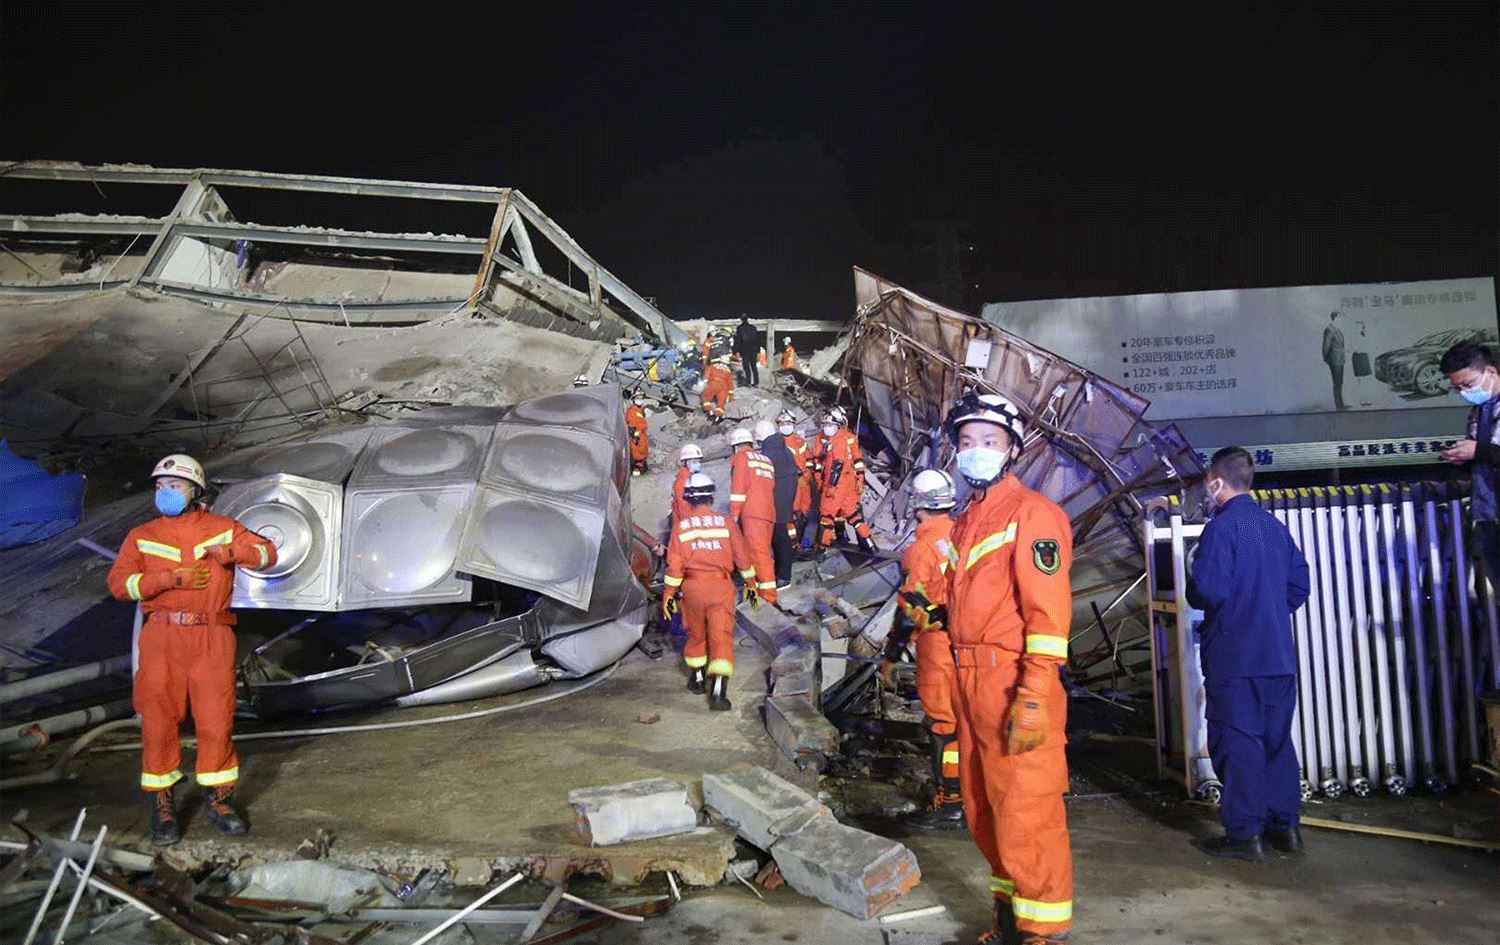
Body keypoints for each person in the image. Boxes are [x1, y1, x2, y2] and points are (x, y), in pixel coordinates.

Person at [942, 392, 1073, 945]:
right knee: (983, 806)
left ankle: (1044, 933)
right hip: (969, 681)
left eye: (990, 442)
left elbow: (1048, 615)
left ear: (1012, 450)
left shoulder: (1033, 514)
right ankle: (1009, 918)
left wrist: (1037, 690)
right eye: (967, 442)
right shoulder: (966, 519)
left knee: (1026, 809)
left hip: (1013, 681)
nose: (977, 451)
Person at [105, 454, 278, 846]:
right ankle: (163, 803)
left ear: (195, 490)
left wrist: (234, 553)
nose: (164, 493)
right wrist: (167, 579)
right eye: (159, 486)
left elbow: (269, 553)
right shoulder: (142, 535)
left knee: (216, 720)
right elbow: (119, 585)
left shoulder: (222, 529)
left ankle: (219, 800)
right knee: (158, 720)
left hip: (212, 637)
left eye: (174, 486)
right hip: (162, 638)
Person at [1186, 447, 1311, 862]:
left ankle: (1244, 836)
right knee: (1276, 741)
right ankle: (1286, 828)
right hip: (1278, 656)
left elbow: (1209, 590)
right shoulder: (1273, 527)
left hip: (1235, 657)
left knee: (1237, 743)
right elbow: (1299, 586)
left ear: (1216, 481)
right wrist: (1267, 610)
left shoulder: (1221, 531)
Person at [883, 469, 965, 830]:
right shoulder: (961, 535)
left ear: (918, 505)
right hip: (968, 642)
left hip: (937, 644)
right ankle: (971, 795)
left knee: (943, 724)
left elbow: (910, 607)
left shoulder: (920, 551)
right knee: (965, 720)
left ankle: (951, 803)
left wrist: (891, 653)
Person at [662, 473, 759, 710]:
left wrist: (668, 595)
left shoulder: (680, 527)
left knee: (696, 634)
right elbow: (742, 557)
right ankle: (717, 690)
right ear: (712, 496)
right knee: (721, 636)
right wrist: (751, 585)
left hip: (692, 589)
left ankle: (696, 679)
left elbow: (674, 566)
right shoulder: (726, 523)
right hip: (720, 588)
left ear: (688, 498)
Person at [1441, 343, 1500, 583]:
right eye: (1457, 388)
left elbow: (1486, 452)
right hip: (1488, 511)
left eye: (1468, 384)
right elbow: (1485, 458)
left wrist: (1479, 450)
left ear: (1491, 372)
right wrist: (1462, 458)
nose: (1464, 391)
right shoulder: (1478, 410)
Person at [728, 426, 780, 604]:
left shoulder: (742, 458)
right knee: (760, 552)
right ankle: (756, 592)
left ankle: (768, 597)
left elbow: (738, 489)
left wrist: (734, 516)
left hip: (752, 513)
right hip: (768, 512)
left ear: (735, 446)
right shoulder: (765, 459)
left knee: (758, 554)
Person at [815, 407, 873, 553]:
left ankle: (822, 549)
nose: (827, 428)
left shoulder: (839, 440)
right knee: (852, 514)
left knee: (827, 516)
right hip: (847, 482)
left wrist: (831, 486)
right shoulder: (831, 438)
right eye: (825, 425)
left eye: (830, 425)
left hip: (837, 482)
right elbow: (820, 459)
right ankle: (869, 544)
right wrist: (859, 477)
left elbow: (838, 465)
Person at [755, 418, 800, 589]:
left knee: (779, 539)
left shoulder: (769, 454)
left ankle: (783, 576)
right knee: (781, 538)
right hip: (786, 498)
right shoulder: (784, 450)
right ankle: (781, 573)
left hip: (775, 501)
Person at [777, 410, 814, 549]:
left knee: (806, 512)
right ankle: (794, 544)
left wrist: (808, 474)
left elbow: (809, 459)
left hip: (804, 483)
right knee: (792, 514)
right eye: (782, 423)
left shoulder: (800, 441)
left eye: (788, 423)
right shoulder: (777, 442)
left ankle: (805, 543)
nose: (785, 425)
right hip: (790, 484)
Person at [672, 443, 705, 526]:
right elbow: (683, 507)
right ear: (685, 463)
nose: (697, 464)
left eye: (698, 461)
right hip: (688, 524)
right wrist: (690, 526)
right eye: (694, 461)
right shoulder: (683, 481)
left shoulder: (693, 477)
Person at [1322, 310, 1347, 411]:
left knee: (1340, 382)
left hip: (1339, 359)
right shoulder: (1330, 330)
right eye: (1340, 318)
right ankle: (1339, 406)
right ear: (1335, 318)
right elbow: (1326, 347)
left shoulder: (1337, 329)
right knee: (1337, 383)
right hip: (1334, 360)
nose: (1341, 320)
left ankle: (1340, 404)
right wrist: (1328, 359)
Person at [701, 356, 735, 424]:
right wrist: (730, 394)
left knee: (706, 398)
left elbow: (706, 376)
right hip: (723, 387)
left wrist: (705, 383)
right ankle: (717, 418)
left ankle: (709, 412)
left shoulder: (713, 366)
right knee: (721, 403)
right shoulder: (728, 371)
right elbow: (730, 384)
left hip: (713, 384)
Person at [624, 393, 649, 476]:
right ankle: (636, 471)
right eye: (638, 398)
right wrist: (636, 435)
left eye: (641, 398)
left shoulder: (639, 410)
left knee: (641, 452)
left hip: (640, 435)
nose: (640, 400)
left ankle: (640, 468)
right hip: (636, 435)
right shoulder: (632, 411)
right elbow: (633, 424)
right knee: (637, 453)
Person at [734, 315, 763, 387]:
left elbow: (738, 340)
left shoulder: (740, 328)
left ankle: (748, 382)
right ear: (748, 319)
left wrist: (737, 350)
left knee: (746, 366)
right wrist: (758, 351)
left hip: (745, 349)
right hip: (753, 349)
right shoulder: (753, 328)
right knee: (753, 366)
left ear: (741, 320)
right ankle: (756, 382)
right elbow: (757, 340)